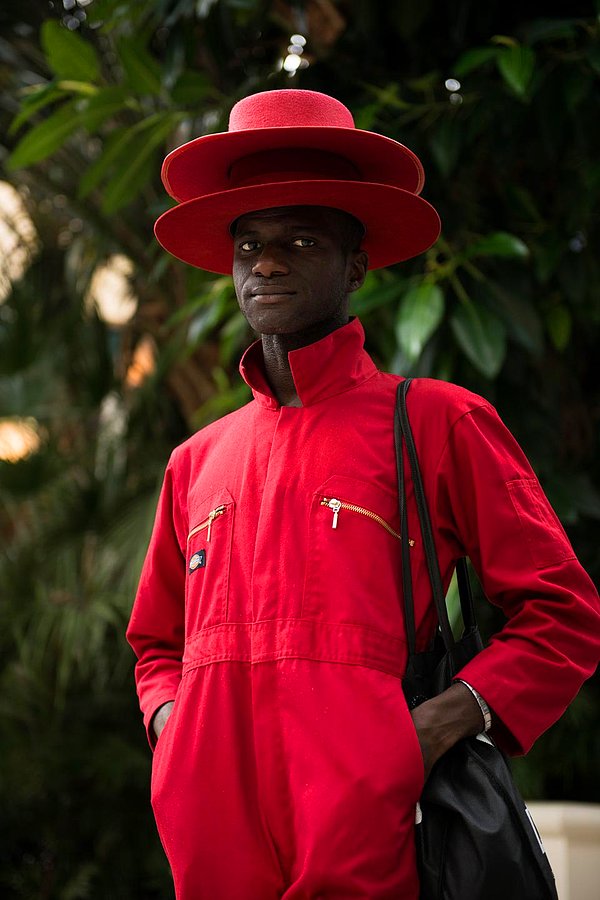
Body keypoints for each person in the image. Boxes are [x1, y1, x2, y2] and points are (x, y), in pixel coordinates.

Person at [126, 89, 600, 900]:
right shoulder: (195, 461)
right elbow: (154, 647)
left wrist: (426, 732)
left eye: (299, 241)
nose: (266, 263)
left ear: (356, 265)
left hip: (376, 842)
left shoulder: (438, 422)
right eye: (249, 244)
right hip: (211, 853)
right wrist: (177, 733)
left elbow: (564, 614)